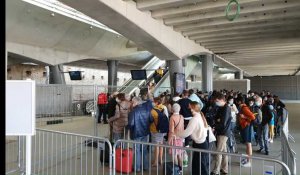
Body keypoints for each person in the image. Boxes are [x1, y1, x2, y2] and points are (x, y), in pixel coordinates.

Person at [176, 101, 209, 175]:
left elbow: (186, 133)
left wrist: (176, 134)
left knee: (201, 167)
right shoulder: (199, 116)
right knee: (197, 165)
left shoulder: (194, 119)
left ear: (192, 108)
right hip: (201, 144)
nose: (188, 108)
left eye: (189, 106)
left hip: (200, 145)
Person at [127, 97, 153, 172]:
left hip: (136, 133)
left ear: (136, 103)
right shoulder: (147, 110)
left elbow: (131, 124)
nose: (132, 103)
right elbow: (151, 120)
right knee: (144, 149)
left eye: (132, 102)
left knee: (137, 150)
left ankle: (137, 168)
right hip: (145, 132)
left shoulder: (133, 112)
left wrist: (127, 127)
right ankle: (145, 166)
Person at [211, 93, 232, 175]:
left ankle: (216, 171)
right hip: (221, 131)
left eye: (217, 101)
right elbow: (217, 118)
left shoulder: (226, 108)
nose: (216, 102)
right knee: (224, 152)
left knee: (218, 152)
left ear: (222, 100)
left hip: (223, 132)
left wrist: (215, 126)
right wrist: (217, 121)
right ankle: (224, 169)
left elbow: (223, 123)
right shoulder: (221, 107)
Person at [236, 96, 255, 167]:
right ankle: (248, 160)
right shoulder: (242, 108)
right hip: (245, 126)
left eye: (237, 101)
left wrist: (244, 117)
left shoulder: (244, 108)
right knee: (247, 144)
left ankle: (249, 161)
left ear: (239, 102)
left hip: (246, 127)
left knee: (248, 144)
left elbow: (253, 117)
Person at [149, 97, 169, 166]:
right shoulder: (164, 107)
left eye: (153, 101)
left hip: (155, 130)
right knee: (161, 144)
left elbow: (150, 120)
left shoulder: (152, 110)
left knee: (156, 146)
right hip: (163, 129)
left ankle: (155, 162)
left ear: (156, 102)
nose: (152, 102)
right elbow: (167, 118)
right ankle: (160, 159)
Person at [168, 103, 184, 170]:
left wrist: (169, 140)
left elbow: (171, 130)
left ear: (172, 109)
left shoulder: (172, 118)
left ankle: (176, 170)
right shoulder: (181, 117)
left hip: (174, 138)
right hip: (180, 137)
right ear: (179, 109)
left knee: (174, 155)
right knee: (179, 154)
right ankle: (180, 169)